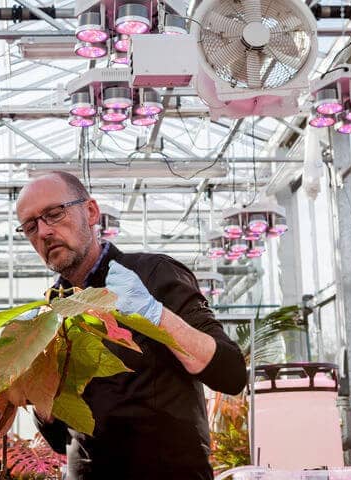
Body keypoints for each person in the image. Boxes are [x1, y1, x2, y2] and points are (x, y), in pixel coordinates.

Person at [15, 172, 247, 480]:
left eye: (54, 214)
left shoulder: (152, 276)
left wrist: (155, 314)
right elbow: (61, 440)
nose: (44, 231)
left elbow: (230, 373)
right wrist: (34, 386)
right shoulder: (52, 312)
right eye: (31, 226)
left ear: (91, 211)